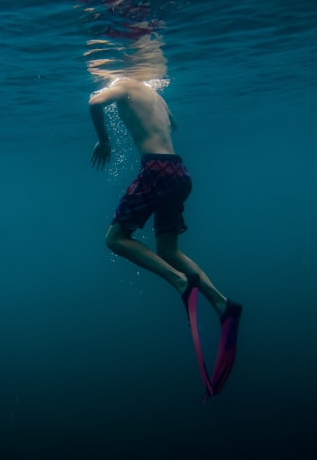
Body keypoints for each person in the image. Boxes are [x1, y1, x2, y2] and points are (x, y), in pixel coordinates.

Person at [89, 72, 243, 400]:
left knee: (115, 239)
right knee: (168, 248)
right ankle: (222, 303)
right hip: (179, 173)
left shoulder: (125, 84)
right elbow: (173, 125)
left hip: (156, 171)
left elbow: (94, 101)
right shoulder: (154, 95)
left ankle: (180, 282)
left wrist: (105, 140)